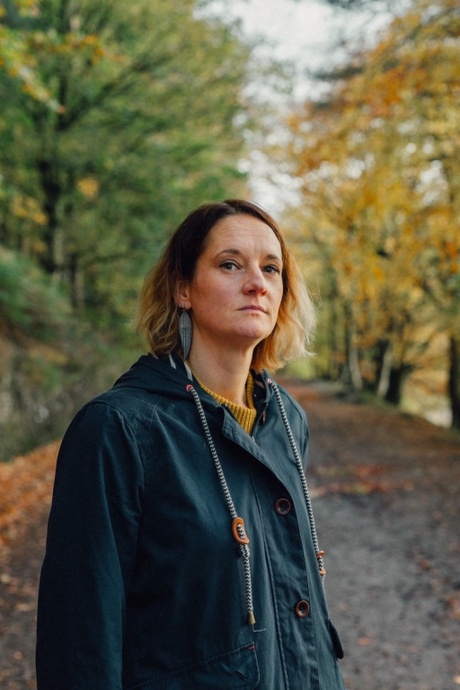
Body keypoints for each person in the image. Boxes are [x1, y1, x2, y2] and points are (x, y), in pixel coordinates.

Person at [36, 199, 345, 689]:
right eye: (230, 264)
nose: (256, 283)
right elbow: (80, 639)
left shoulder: (286, 420)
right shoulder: (118, 429)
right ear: (183, 288)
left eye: (272, 268)